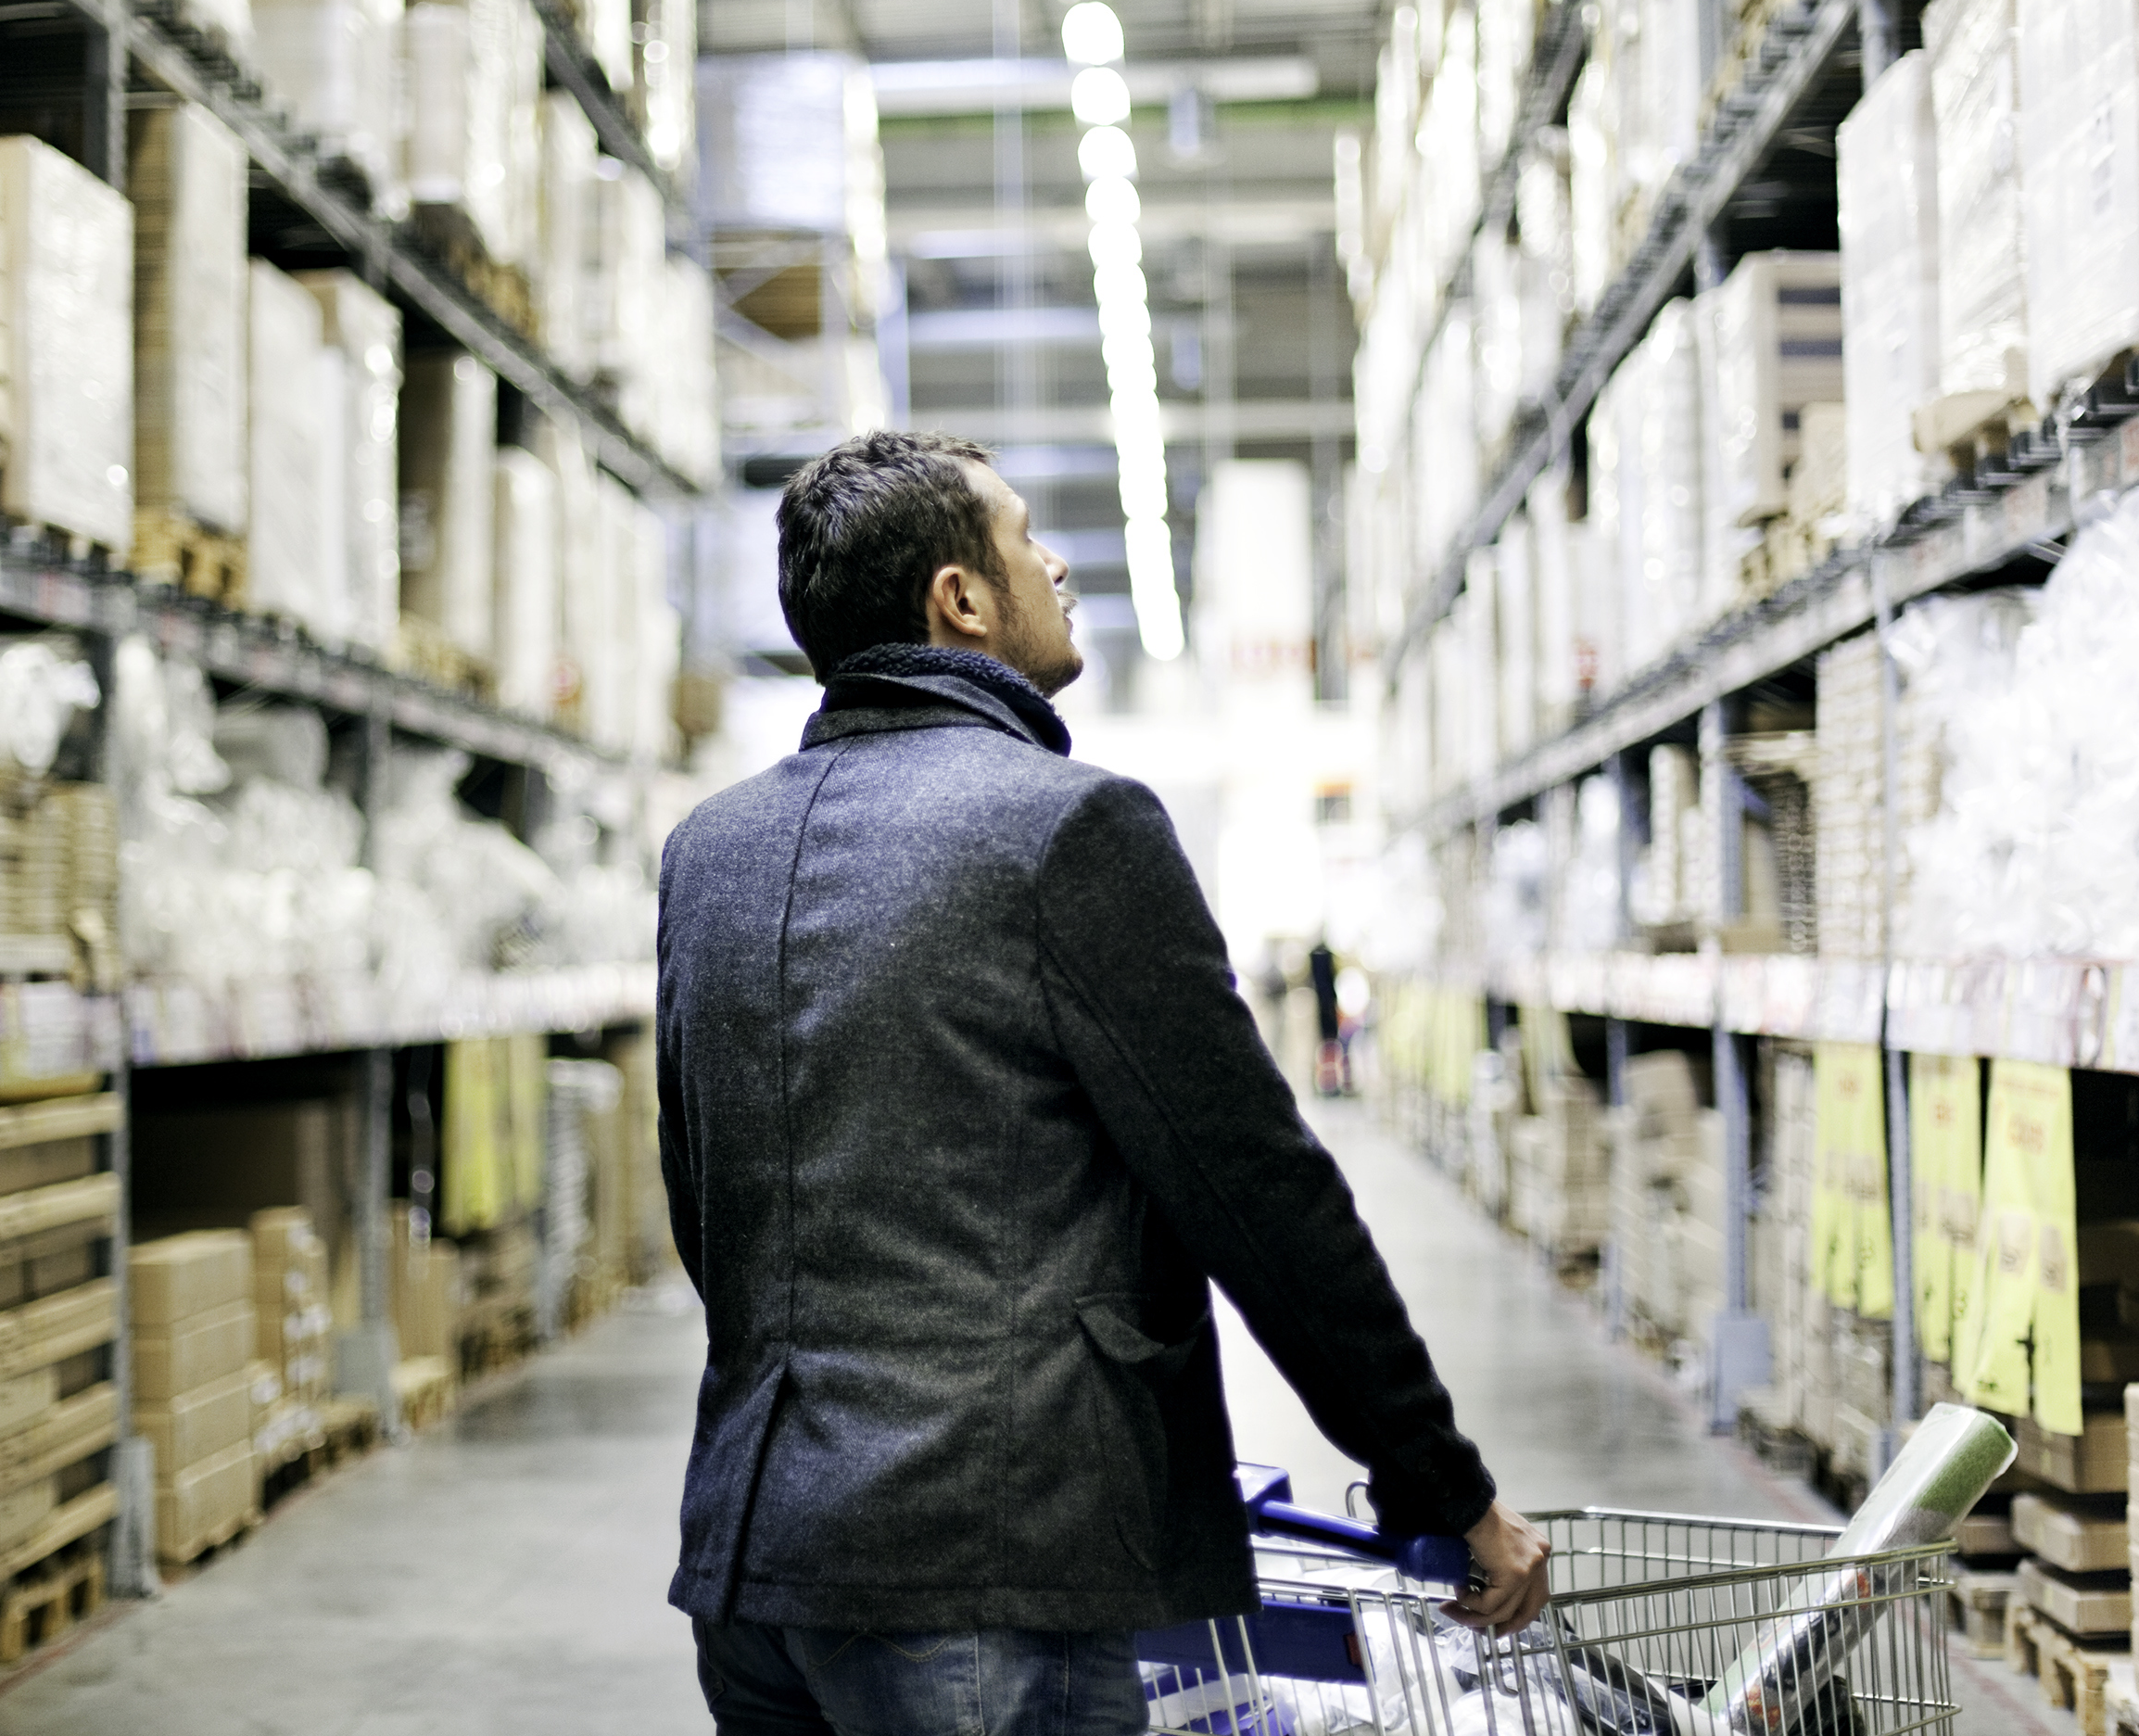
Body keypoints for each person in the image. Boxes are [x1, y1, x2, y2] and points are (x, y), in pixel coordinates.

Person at [654, 431, 1549, 1736]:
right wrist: (1439, 1487)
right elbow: (1257, 1192)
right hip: (990, 1574)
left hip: (755, 1570)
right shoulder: (1069, 828)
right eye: (1025, 538)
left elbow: (710, 1211)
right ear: (958, 598)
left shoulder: (708, 853)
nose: (1058, 565)